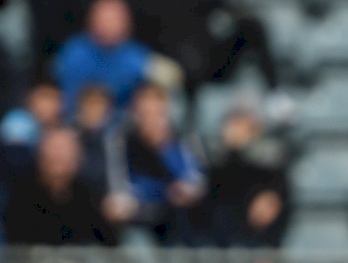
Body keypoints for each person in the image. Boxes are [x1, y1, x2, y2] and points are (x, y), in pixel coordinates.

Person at [103, 82, 205, 246]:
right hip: (139, 220)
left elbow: (196, 182)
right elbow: (118, 188)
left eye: (157, 112)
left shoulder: (183, 137)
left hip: (178, 218)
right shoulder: (121, 139)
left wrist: (164, 148)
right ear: (135, 112)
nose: (151, 119)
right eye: (145, 113)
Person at [1, 126, 117, 247]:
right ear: (40, 156)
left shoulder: (91, 197)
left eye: (64, 151)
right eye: (53, 150)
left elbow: (105, 243)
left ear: (78, 159)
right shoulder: (21, 197)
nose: (57, 155)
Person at [203, 102, 290, 249]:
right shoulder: (216, 160)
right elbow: (213, 192)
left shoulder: (272, 163)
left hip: (259, 243)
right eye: (234, 122)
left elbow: (277, 199)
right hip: (220, 242)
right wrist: (231, 151)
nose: (237, 130)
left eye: (242, 123)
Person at [56, 0, 153, 116]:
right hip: (79, 119)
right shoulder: (73, 53)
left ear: (127, 23)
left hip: (125, 123)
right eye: (103, 19)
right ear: (91, 21)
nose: (108, 25)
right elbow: (67, 98)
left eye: (114, 19)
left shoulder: (140, 56)